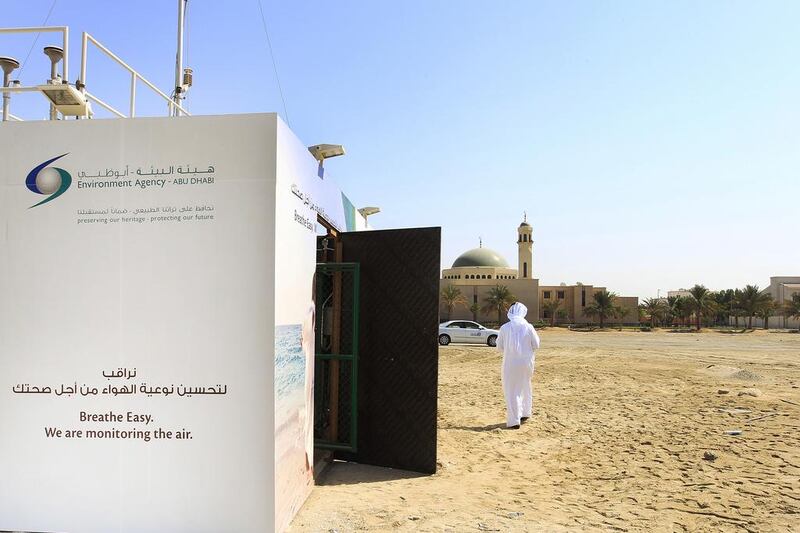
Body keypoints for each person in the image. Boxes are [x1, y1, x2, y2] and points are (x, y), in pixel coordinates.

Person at [496, 302, 540, 429]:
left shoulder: (504, 328)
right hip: (527, 363)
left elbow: (499, 347)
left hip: (510, 363)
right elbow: (536, 344)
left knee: (512, 390)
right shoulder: (529, 327)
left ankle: (514, 420)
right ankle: (525, 413)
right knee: (525, 386)